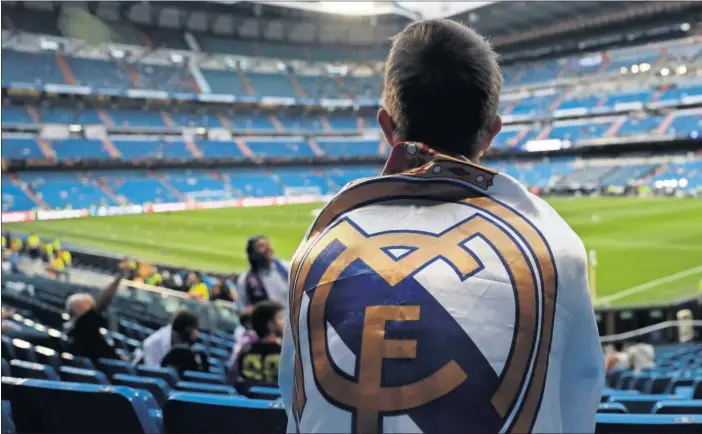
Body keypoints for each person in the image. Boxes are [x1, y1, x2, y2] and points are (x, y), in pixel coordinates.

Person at [279, 19, 604, 433]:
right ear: (491, 133)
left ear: (386, 127)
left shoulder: (315, 252)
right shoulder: (556, 250)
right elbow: (574, 408)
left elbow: (297, 404)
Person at [64, 259, 131, 364]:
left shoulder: (71, 330)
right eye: (91, 307)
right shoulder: (84, 328)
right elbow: (104, 300)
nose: (94, 308)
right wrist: (120, 276)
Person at [233, 300, 284, 394]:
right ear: (270, 325)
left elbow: (234, 379)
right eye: (279, 318)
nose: (284, 322)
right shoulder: (287, 352)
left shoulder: (244, 350)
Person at [236, 235, 289, 309]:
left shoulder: (287, 268)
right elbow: (241, 309)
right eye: (261, 246)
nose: (267, 248)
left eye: (268, 245)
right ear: (253, 254)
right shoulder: (246, 280)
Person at [160, 310, 209, 376]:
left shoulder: (164, 341)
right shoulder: (194, 355)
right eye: (196, 329)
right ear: (189, 329)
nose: (198, 333)